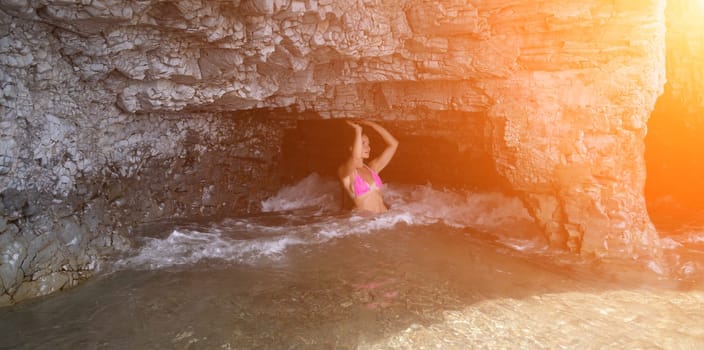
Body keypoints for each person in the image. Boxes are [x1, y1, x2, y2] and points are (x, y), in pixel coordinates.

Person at [338, 120, 399, 213]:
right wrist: (358, 130)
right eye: (363, 144)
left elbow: (394, 144)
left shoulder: (372, 168)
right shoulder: (344, 171)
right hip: (366, 224)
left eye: (368, 144)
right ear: (351, 148)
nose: (368, 148)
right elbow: (356, 159)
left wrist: (371, 124)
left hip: (385, 220)